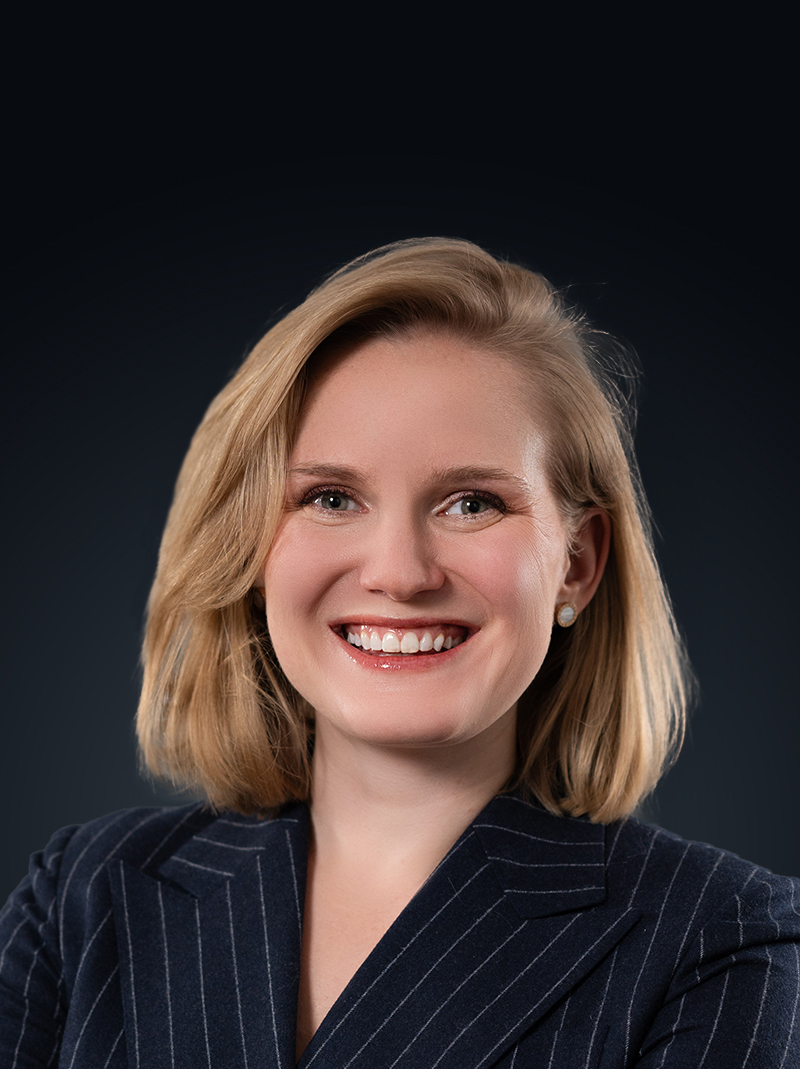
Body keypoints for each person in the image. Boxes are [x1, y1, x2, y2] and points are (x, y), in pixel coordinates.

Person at [1, 238, 798, 1068]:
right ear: (249, 550)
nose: (399, 573)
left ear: (577, 563)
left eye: (471, 502)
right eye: (331, 497)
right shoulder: (83, 897)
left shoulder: (718, 937)